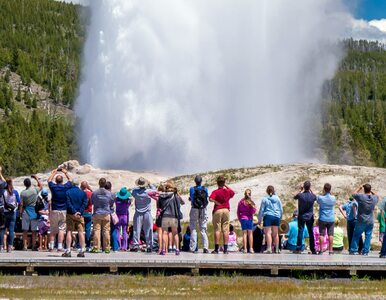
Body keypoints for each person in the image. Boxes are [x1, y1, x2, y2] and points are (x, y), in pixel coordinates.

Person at [47, 168, 72, 252]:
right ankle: (59, 247)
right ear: (62, 181)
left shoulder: (53, 187)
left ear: (56, 181)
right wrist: (65, 172)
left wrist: (54, 173)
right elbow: (70, 180)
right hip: (64, 210)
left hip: (54, 210)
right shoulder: (66, 187)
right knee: (61, 229)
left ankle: (51, 247)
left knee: (53, 229)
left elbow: (49, 180)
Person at [349, 184, 379, 255]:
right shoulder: (374, 198)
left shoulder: (361, 197)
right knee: (368, 236)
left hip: (361, 219)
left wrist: (359, 188)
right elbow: (377, 196)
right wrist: (371, 191)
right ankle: (365, 251)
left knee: (356, 235)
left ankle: (354, 250)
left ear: (364, 189)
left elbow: (353, 194)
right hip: (370, 220)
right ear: (370, 190)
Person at [62, 178, 88, 257]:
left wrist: (74, 211)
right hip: (80, 215)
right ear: (78, 184)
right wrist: (79, 211)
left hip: (70, 214)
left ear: (72, 184)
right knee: (80, 231)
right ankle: (82, 249)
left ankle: (68, 250)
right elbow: (85, 203)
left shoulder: (68, 192)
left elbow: (68, 203)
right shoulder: (83, 193)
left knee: (69, 231)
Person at [209, 176, 235, 254]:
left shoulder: (215, 192)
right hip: (226, 210)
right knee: (226, 230)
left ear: (217, 183)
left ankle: (216, 249)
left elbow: (210, 199)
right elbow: (233, 192)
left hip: (218, 209)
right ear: (224, 183)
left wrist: (216, 202)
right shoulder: (227, 191)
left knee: (217, 229)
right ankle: (225, 249)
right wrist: (225, 185)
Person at [130, 177, 157, 253]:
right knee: (148, 230)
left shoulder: (135, 192)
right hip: (147, 213)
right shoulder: (148, 192)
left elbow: (133, 190)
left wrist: (139, 186)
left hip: (138, 212)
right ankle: (149, 245)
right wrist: (149, 184)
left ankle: (135, 245)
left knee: (136, 230)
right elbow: (155, 190)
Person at [157, 181, 183, 255]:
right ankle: (177, 249)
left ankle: (164, 250)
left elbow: (159, 206)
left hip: (165, 215)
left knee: (164, 233)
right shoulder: (174, 195)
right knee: (175, 233)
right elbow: (180, 204)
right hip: (173, 216)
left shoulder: (162, 195)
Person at [91, 178, 115, 253]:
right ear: (105, 184)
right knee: (106, 231)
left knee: (97, 230)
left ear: (99, 183)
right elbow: (111, 203)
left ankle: (96, 247)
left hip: (97, 212)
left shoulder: (94, 193)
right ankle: (107, 248)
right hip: (106, 213)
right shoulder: (109, 193)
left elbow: (92, 202)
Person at [258, 185, 283, 254]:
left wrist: (259, 219)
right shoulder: (277, 198)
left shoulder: (265, 199)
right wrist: (280, 217)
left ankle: (269, 248)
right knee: (275, 234)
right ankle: (277, 249)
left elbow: (261, 210)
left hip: (268, 216)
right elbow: (281, 209)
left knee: (268, 233)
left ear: (267, 191)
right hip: (276, 217)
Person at [293, 181, 317, 254]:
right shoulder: (312, 196)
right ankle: (313, 249)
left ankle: (298, 248)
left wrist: (300, 190)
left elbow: (294, 197)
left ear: (304, 187)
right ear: (309, 187)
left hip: (301, 216)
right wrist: (311, 190)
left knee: (300, 231)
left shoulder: (300, 195)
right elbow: (315, 196)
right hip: (310, 216)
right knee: (311, 232)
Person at [20, 175, 42, 251]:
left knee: (25, 231)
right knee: (34, 231)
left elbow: (21, 204)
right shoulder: (35, 190)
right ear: (30, 183)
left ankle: (25, 246)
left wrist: (20, 213)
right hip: (34, 211)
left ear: (24, 184)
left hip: (26, 211)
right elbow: (41, 186)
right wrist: (36, 178)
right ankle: (33, 246)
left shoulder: (22, 193)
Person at [188, 175, 209, 254]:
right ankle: (205, 247)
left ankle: (193, 248)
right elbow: (206, 197)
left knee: (193, 228)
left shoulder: (192, 189)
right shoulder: (205, 189)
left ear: (195, 181)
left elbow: (191, 197)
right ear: (201, 181)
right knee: (203, 229)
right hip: (203, 209)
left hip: (194, 209)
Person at [0, 178, 20, 252]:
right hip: (12, 212)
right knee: (11, 230)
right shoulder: (15, 192)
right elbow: (19, 202)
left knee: (2, 230)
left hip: (3, 212)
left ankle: (1, 247)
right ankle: (10, 247)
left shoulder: (2, 192)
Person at [316, 183, 336, 255]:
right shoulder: (333, 198)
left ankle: (321, 250)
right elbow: (334, 203)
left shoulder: (321, 198)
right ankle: (330, 250)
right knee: (330, 235)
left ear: (324, 189)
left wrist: (323, 193)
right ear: (330, 189)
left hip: (323, 217)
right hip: (331, 218)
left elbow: (317, 200)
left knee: (321, 234)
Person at [237, 189, 256, 253]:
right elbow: (254, 211)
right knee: (250, 234)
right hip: (249, 219)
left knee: (244, 234)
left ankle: (245, 248)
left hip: (243, 219)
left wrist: (240, 218)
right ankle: (251, 248)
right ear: (250, 194)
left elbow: (238, 211)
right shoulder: (251, 202)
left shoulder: (241, 202)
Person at [115, 187, 131, 251]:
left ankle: (118, 246)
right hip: (125, 216)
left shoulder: (116, 200)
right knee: (124, 232)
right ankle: (124, 246)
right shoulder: (128, 201)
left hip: (118, 216)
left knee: (117, 231)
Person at [80, 181, 93, 252]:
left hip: (81, 213)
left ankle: (80, 245)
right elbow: (92, 200)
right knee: (88, 230)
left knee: (80, 229)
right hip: (88, 213)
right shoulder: (90, 193)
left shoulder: (80, 193)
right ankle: (88, 246)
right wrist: (90, 189)